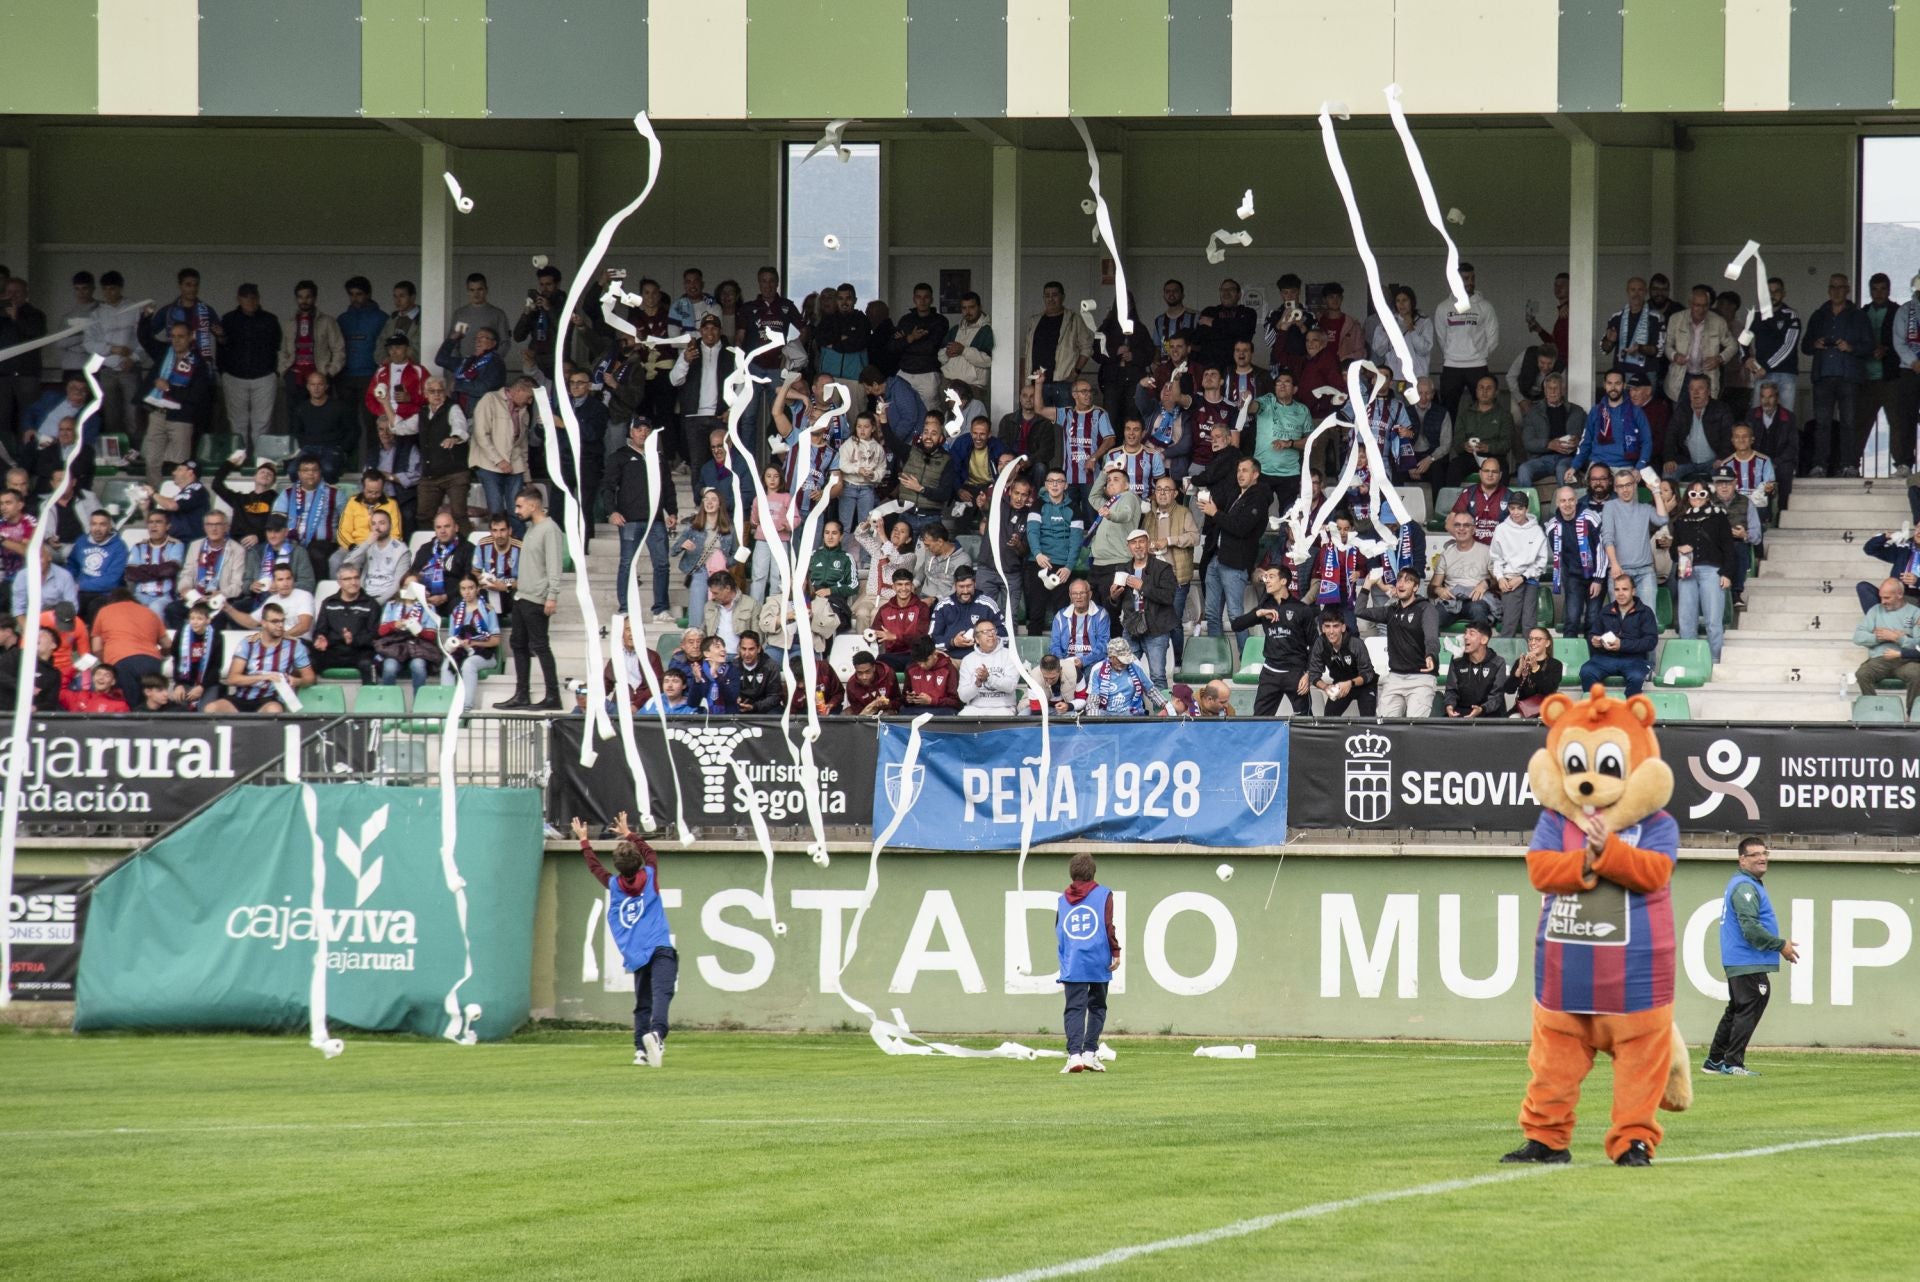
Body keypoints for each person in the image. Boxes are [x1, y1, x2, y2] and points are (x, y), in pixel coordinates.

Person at [573, 811, 676, 1069]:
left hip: (637, 953)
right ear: (639, 861)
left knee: (643, 1002)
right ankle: (657, 1034)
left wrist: (584, 841)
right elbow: (650, 853)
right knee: (663, 992)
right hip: (659, 946)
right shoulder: (650, 876)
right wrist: (630, 833)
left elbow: (595, 867)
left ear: (618, 866)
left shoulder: (614, 885)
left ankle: (640, 1051)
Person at [1702, 837, 1800, 1077]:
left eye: (1764, 853)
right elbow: (1750, 928)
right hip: (1746, 960)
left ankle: (1715, 1061)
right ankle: (1732, 1063)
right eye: (1755, 854)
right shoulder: (1745, 887)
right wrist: (1780, 945)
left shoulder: (1746, 884)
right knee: (1750, 1005)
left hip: (1741, 959)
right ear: (1742, 860)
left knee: (1737, 1008)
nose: (1762, 858)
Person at [600, 417, 679, 622]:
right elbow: (607, 487)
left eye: (646, 429)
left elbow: (668, 487)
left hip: (656, 520)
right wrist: (611, 512)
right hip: (629, 520)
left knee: (662, 564)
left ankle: (660, 609)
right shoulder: (620, 456)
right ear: (631, 432)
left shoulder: (658, 457)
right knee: (627, 563)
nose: (642, 433)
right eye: (638, 429)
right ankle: (625, 608)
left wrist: (672, 511)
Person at [498, 485, 565, 710]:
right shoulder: (531, 529)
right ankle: (521, 694)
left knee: (540, 646)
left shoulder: (550, 529)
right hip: (522, 595)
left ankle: (553, 696)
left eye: (519, 505)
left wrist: (552, 596)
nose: (516, 510)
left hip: (537, 597)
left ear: (533, 505)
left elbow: (554, 566)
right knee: (518, 644)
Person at [1800, 273, 1872, 476]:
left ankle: (1849, 465)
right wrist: (1815, 344)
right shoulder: (1819, 315)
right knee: (1822, 424)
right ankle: (1819, 465)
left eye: (1841, 287)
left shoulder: (1858, 316)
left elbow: (1869, 346)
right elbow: (1805, 345)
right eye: (1833, 287)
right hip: (1823, 376)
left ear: (1847, 290)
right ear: (1828, 289)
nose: (1837, 291)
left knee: (1849, 423)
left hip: (1849, 376)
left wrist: (1850, 347)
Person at [1056, 852, 1119, 1074]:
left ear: (1072, 873)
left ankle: (1074, 1056)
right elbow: (1108, 925)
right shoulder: (1104, 895)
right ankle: (1090, 1054)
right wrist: (1115, 951)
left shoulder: (1062, 900)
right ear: (1093, 872)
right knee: (1097, 1007)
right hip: (1098, 960)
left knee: (1074, 1008)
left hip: (1074, 962)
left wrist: (1065, 960)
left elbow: (1060, 931)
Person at [1355, 568, 1441, 716]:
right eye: (1399, 579)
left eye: (1407, 581)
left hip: (1421, 678)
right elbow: (1359, 611)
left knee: (1414, 727)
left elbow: (1431, 636)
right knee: (1384, 726)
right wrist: (1368, 584)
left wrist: (1431, 654)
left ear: (1415, 588)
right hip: (1395, 677)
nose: (1401, 583)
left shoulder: (1426, 608)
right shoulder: (1391, 611)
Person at [202, 602, 315, 713]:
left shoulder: (294, 645)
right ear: (263, 623)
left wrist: (298, 681)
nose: (280, 625)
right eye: (275, 621)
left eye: (282, 621)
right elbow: (233, 678)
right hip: (241, 698)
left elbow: (310, 677)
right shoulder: (248, 643)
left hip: (270, 699)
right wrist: (264, 677)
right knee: (211, 709)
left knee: (274, 710)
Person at [1668, 477, 1735, 662]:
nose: (1697, 497)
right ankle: (1690, 661)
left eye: (1702, 493)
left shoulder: (1719, 516)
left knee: (1713, 620)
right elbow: (1673, 552)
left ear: (1708, 496)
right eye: (1693, 493)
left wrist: (1727, 573)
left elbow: (1729, 547)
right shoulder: (1681, 520)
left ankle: (1714, 660)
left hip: (1712, 571)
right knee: (1686, 620)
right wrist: (1679, 549)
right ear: (1687, 496)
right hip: (1686, 573)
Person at [1429, 261, 1499, 416]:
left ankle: (1482, 439)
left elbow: (1493, 338)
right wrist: (1452, 353)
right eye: (1466, 279)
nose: (1471, 283)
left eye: (1473, 278)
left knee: (1484, 407)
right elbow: (1441, 337)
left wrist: (1480, 355)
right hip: (1451, 366)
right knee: (1448, 409)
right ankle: (1450, 440)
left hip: (1478, 365)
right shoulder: (1443, 307)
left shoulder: (1485, 306)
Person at [1110, 528, 1178, 686]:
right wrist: (1113, 597)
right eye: (1133, 543)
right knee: (1125, 674)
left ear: (1148, 544)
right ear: (1129, 547)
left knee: (1158, 676)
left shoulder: (1163, 568)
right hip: (1131, 627)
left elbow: (1168, 597)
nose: (1138, 546)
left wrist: (1143, 586)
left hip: (1156, 629)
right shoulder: (1122, 569)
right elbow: (1116, 604)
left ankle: (1161, 711)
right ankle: (1132, 710)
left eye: (1141, 541)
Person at [470, 377, 534, 531]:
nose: (530, 402)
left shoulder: (524, 412)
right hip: (489, 465)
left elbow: (523, 446)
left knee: (518, 510)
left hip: (515, 466)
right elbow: (480, 434)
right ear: (519, 391)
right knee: (496, 509)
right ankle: (498, 549)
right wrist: (499, 461)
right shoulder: (490, 399)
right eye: (530, 397)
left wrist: (527, 477)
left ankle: (520, 549)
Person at [1600, 465, 1669, 609]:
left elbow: (1663, 520)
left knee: (1648, 618)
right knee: (1622, 621)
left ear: (1635, 485)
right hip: (1621, 571)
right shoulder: (1610, 507)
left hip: (1645, 571)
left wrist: (1656, 491)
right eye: (1620, 486)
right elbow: (1608, 537)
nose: (1625, 490)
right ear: (1615, 488)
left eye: (1628, 485)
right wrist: (1614, 564)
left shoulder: (1645, 508)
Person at [1580, 574, 1659, 695]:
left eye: (1625, 589)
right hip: (1605, 658)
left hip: (1634, 659)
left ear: (1633, 591)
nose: (1620, 593)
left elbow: (1650, 641)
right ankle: (1597, 709)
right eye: (1617, 589)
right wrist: (1594, 640)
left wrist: (1622, 645)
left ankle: (1628, 711)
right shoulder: (1606, 610)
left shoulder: (1645, 612)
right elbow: (1593, 633)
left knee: (1637, 677)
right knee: (1586, 671)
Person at [1851, 578, 1920, 707]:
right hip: (1880, 660)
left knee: (1917, 673)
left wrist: (1898, 638)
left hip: (1905, 660)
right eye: (1881, 597)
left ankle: (1913, 715)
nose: (1883, 602)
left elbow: (1918, 644)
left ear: (1899, 594)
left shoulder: (1915, 613)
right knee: (1862, 674)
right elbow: (1858, 637)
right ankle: (1874, 709)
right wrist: (1880, 637)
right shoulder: (1875, 611)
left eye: (1887, 598)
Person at [1489, 493, 1549, 637]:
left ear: (1526, 509)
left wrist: (1522, 577)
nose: (1516, 512)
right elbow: (1496, 558)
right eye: (1512, 508)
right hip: (1509, 579)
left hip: (1530, 579)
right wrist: (1500, 578)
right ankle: (1504, 659)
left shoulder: (1536, 531)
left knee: (1529, 624)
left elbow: (1541, 561)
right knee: (1509, 623)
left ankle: (1531, 659)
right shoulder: (1502, 529)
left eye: (1520, 508)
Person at [311, 564, 379, 683]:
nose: (353, 582)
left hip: (360, 652)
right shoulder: (329, 603)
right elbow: (320, 630)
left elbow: (375, 636)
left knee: (368, 664)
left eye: (356, 578)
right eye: (347, 579)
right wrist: (320, 638)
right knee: (307, 663)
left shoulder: (371, 604)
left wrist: (354, 640)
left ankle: (371, 699)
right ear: (339, 582)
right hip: (333, 651)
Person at [1306, 610, 1377, 716]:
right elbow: (1314, 674)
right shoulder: (1320, 644)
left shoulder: (1356, 643)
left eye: (1335, 626)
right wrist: (1326, 687)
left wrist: (1350, 683)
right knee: (1329, 719)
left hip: (1364, 685)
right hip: (1340, 684)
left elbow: (1368, 674)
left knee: (1367, 721)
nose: (1331, 631)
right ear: (1323, 628)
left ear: (1343, 628)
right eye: (1327, 626)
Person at [1431, 511, 1494, 629]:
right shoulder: (1446, 555)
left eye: (1466, 525)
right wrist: (1438, 590)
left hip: (1476, 600)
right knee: (1431, 617)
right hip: (1451, 600)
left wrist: (1486, 583)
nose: (1461, 529)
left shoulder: (1486, 551)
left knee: (1478, 610)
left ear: (1473, 529)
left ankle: (1481, 647)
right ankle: (1433, 648)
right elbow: (1433, 586)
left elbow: (1498, 582)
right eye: (1457, 525)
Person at [956, 617, 1023, 717]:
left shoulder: (1010, 656)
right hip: (975, 708)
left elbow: (1010, 686)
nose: (991, 634)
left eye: (993, 630)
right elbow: (963, 697)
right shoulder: (968, 660)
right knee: (962, 717)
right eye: (985, 632)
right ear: (977, 639)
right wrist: (977, 684)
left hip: (1003, 708)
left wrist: (989, 678)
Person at [1083, 636, 1164, 716]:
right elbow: (1093, 701)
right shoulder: (1097, 669)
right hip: (1106, 714)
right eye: (1121, 659)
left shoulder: (1135, 664)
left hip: (1131, 712)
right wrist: (1094, 724)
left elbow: (1151, 691)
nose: (1124, 663)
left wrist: (1167, 706)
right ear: (1111, 658)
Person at [1444, 619, 1508, 717]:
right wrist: (1449, 707)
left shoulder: (1498, 663)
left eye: (1471, 634)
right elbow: (1451, 690)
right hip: (1461, 714)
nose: (1465, 637)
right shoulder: (1457, 660)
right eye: (1465, 633)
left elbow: (1496, 696)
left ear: (1484, 640)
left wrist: (1482, 709)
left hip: (1489, 715)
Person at [1503, 625, 1564, 717]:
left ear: (1547, 643)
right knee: (1512, 719)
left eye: (1538, 639)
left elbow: (1548, 690)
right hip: (1523, 709)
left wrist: (1535, 668)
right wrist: (1518, 672)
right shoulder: (1521, 661)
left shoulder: (1555, 664)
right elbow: (1509, 690)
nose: (1533, 642)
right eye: (1530, 639)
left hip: (1545, 709)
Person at [843, 650, 902, 716]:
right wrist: (869, 709)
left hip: (886, 710)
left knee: (886, 715)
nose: (864, 677)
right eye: (860, 673)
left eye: (867, 672)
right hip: (864, 711)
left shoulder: (889, 674)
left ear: (874, 668)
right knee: (845, 714)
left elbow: (898, 701)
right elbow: (856, 709)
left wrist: (888, 704)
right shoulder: (851, 685)